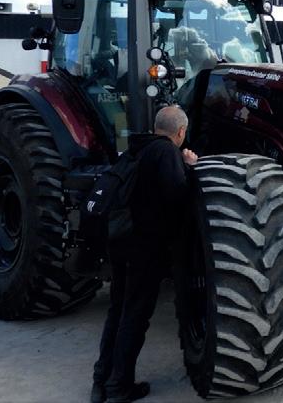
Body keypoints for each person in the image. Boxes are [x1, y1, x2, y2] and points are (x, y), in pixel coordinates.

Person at [91, 106, 198, 403]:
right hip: (145, 247)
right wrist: (190, 167)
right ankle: (119, 387)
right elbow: (178, 195)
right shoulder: (166, 152)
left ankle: (101, 381)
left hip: (119, 242)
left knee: (118, 309)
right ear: (181, 132)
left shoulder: (133, 149)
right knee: (135, 315)